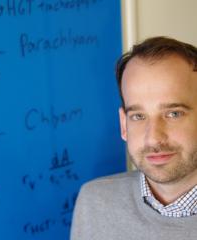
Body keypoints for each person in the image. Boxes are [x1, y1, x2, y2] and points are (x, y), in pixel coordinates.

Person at [70, 36, 197, 240]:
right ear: (124, 125)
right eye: (138, 116)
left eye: (173, 113)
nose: (153, 138)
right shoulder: (94, 202)